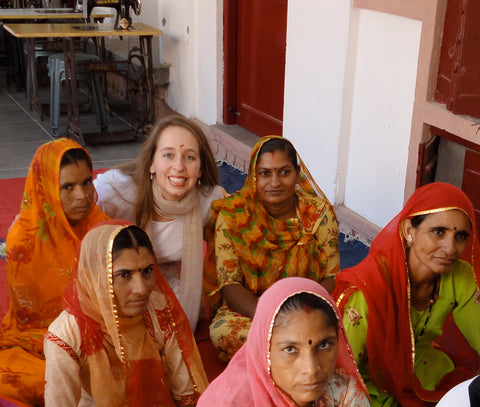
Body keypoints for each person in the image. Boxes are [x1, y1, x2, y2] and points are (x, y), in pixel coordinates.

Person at [333, 182, 480, 406]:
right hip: (370, 383)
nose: (450, 249)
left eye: (460, 236)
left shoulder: (458, 276)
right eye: (438, 232)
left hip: (423, 373)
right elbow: (342, 367)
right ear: (409, 231)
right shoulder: (367, 289)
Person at [204, 135, 340, 360]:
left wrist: (301, 314)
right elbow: (230, 284)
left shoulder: (318, 213)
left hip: (307, 308)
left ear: (297, 173)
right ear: (253, 176)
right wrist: (272, 315)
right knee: (225, 332)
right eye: (265, 173)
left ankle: (275, 357)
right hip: (253, 309)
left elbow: (331, 276)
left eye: (284, 172)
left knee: (348, 322)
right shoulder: (234, 215)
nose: (275, 182)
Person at [44, 222, 209, 406]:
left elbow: (187, 395)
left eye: (147, 271)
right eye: (124, 275)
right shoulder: (66, 335)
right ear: (94, 276)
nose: (141, 289)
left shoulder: (161, 312)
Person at [0, 138, 109, 406]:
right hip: (35, 338)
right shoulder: (24, 240)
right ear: (45, 189)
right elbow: (29, 317)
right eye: (67, 187)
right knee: (20, 379)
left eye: (86, 182)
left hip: (94, 339)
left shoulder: (102, 230)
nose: (82, 196)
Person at [94, 115, 224, 330]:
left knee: (174, 321)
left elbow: (237, 235)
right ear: (151, 163)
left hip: (170, 276)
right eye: (168, 155)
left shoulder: (210, 200)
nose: (179, 166)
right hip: (117, 277)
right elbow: (70, 209)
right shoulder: (117, 191)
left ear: (200, 170)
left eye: (189, 157)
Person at [198, 277, 369, 406]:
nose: (310, 369)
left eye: (324, 345)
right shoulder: (229, 401)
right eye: (290, 349)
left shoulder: (342, 391)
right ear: (265, 350)